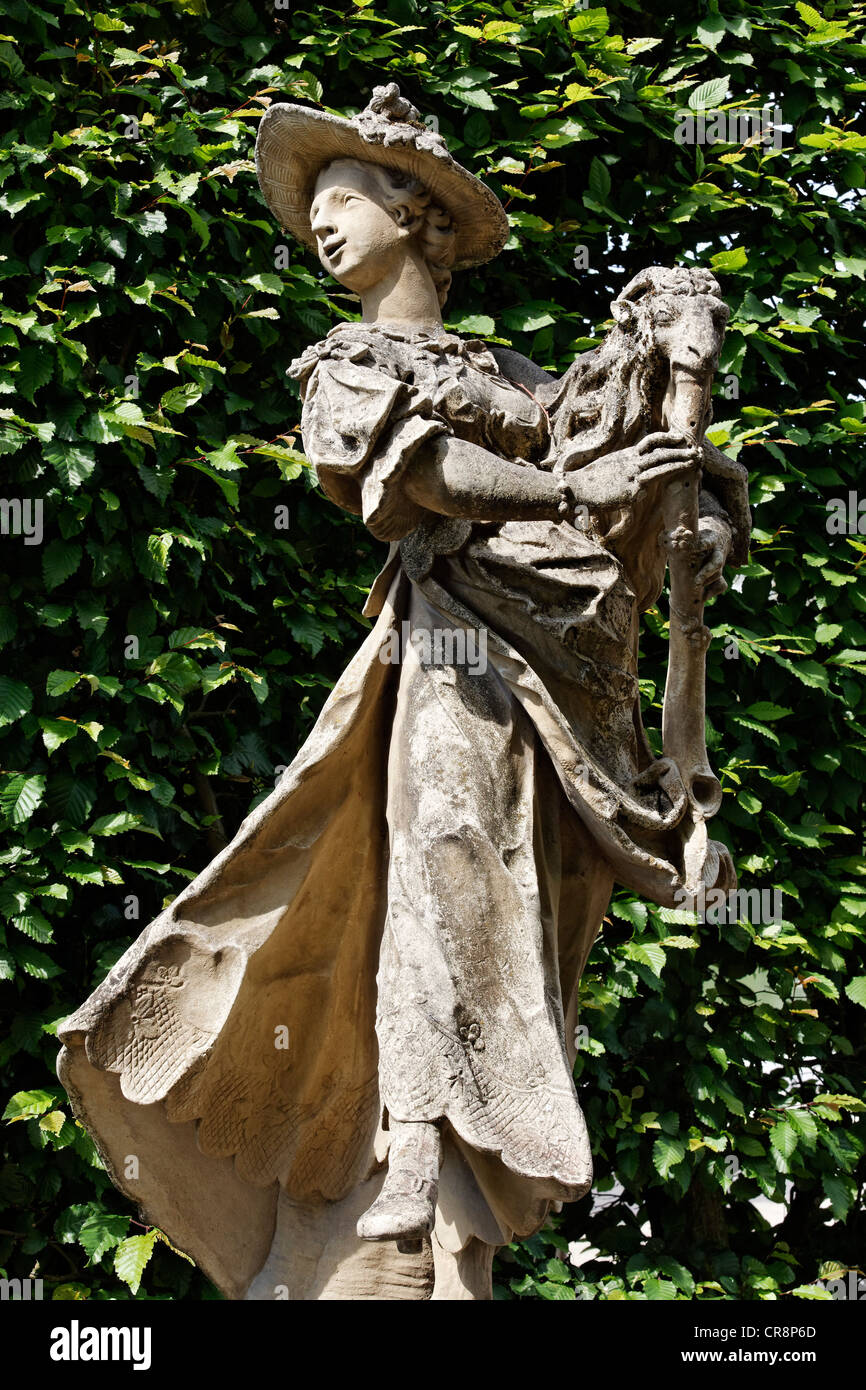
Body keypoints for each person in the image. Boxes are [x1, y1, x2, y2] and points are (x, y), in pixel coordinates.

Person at [58, 84, 749, 1293]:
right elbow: (414, 468)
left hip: (554, 687)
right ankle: (402, 1170)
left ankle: (452, 1186)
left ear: (412, 210)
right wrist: (566, 497)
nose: (319, 229)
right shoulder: (346, 362)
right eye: (312, 210)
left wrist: (683, 447)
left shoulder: (523, 379)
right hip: (442, 655)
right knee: (435, 876)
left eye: (341, 201)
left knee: (509, 920)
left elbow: (620, 466)